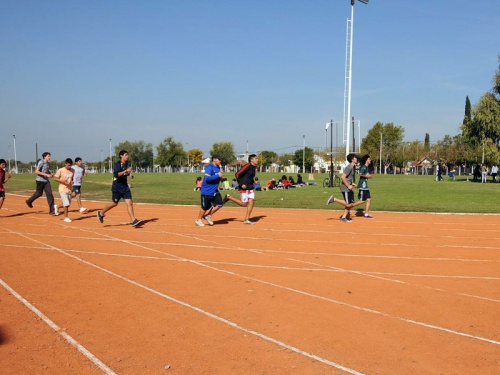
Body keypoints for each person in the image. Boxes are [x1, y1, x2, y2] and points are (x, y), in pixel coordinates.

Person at [97, 150, 142, 227]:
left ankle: (133, 220)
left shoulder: (125, 164)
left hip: (125, 187)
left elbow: (125, 172)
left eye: (127, 155)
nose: (127, 156)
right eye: (126, 155)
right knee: (114, 203)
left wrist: (129, 174)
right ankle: (101, 213)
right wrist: (126, 171)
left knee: (130, 203)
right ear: (121, 156)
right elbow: (116, 175)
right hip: (117, 188)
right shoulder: (117, 164)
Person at [326, 153, 365, 223]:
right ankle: (334, 199)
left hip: (349, 187)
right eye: (355, 158)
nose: (357, 159)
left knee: (351, 204)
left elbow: (347, 178)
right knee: (348, 204)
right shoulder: (349, 167)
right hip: (345, 188)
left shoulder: (352, 167)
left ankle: (343, 217)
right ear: (352, 160)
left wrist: (352, 184)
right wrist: (348, 185)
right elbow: (342, 177)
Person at [223, 154, 259, 224]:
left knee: (251, 202)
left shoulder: (254, 167)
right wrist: (241, 183)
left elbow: (249, 177)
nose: (257, 160)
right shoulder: (247, 166)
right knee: (244, 204)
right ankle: (229, 197)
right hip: (244, 187)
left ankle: (246, 219)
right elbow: (237, 174)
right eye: (256, 158)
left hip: (250, 187)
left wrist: (253, 183)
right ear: (251, 160)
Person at [195, 154, 224, 227]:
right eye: (219, 159)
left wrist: (221, 178)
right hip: (207, 191)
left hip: (214, 190)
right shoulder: (209, 167)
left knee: (219, 204)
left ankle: (208, 215)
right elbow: (207, 179)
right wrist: (218, 175)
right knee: (204, 207)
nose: (221, 161)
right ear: (214, 159)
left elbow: (218, 177)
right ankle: (198, 220)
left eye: (221, 160)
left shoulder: (218, 168)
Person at [54, 158, 75, 222]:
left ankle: (57, 207)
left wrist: (72, 182)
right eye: (68, 165)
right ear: (65, 164)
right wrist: (62, 181)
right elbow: (55, 178)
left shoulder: (73, 170)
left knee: (68, 203)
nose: (70, 166)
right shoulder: (61, 170)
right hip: (62, 188)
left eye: (71, 165)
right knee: (66, 204)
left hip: (69, 189)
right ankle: (66, 217)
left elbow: (72, 179)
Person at [356, 154, 374, 218]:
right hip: (363, 187)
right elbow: (360, 174)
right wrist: (367, 176)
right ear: (366, 160)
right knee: (363, 200)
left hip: (365, 186)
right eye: (369, 159)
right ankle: (350, 205)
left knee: (369, 199)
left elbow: (366, 175)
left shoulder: (366, 167)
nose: (370, 160)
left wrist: (369, 176)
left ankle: (366, 214)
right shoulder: (363, 167)